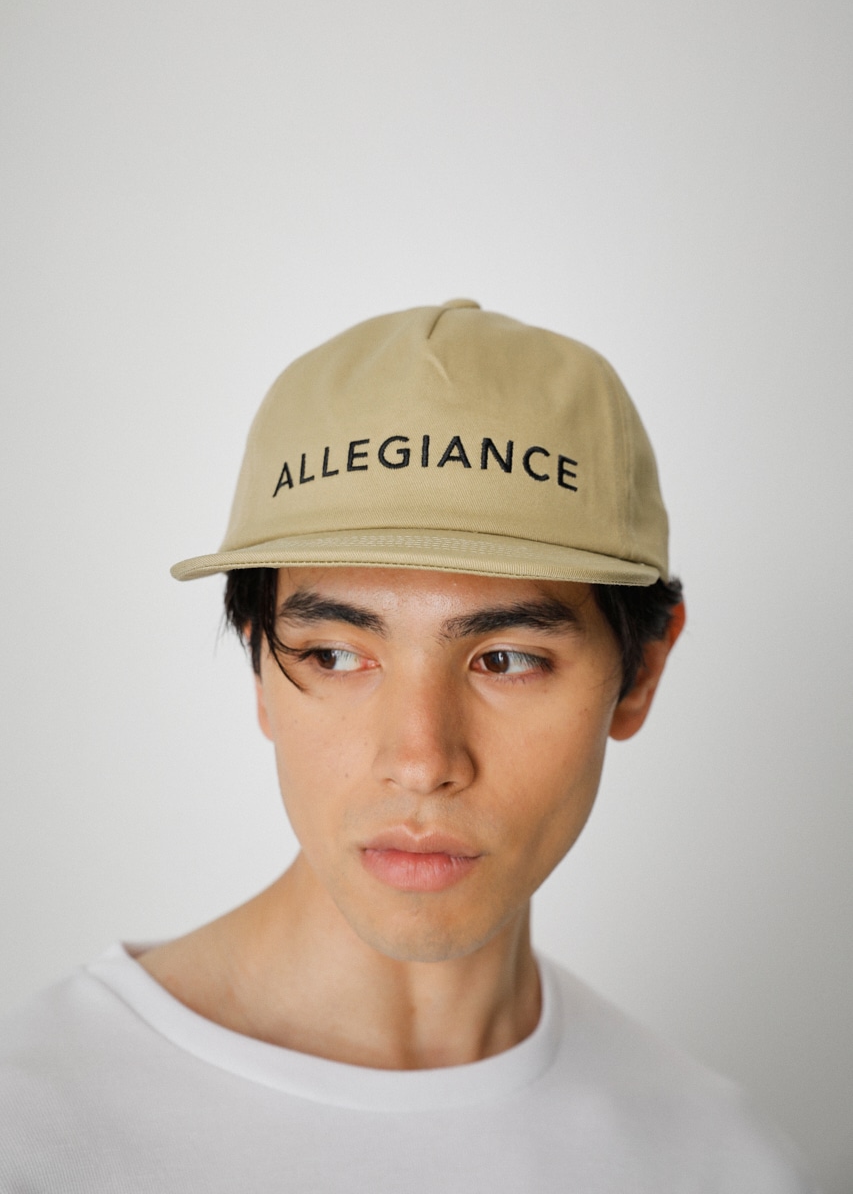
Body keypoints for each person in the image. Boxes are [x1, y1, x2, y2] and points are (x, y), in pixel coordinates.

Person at [0, 300, 818, 1191]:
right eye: (335, 654)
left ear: (641, 673)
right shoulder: (32, 1127)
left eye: (506, 659)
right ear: (260, 669)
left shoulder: (724, 1163)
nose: (421, 762)